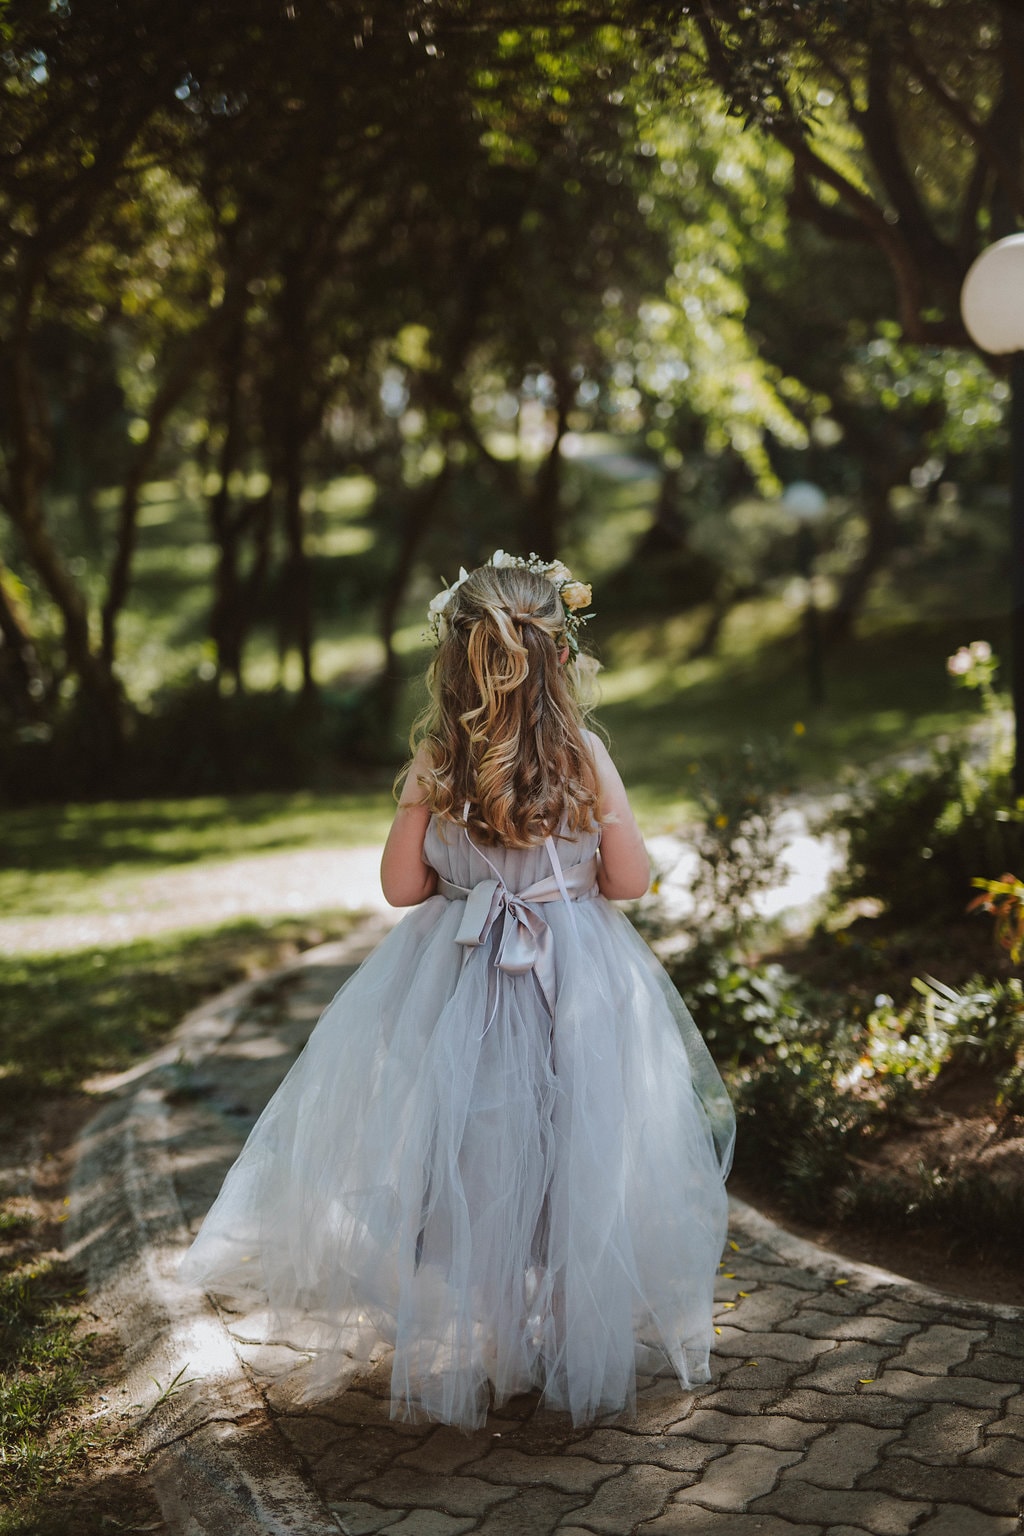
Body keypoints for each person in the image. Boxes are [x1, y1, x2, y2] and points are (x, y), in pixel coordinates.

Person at [179, 552, 734, 1431]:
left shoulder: (439, 761)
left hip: (465, 990)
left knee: (485, 1161)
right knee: (579, 1157)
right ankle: (565, 1337)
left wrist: (429, 820)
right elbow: (629, 882)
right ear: (561, 659)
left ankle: (504, 1346)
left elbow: (402, 891)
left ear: (455, 660)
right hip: (578, 983)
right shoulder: (585, 756)